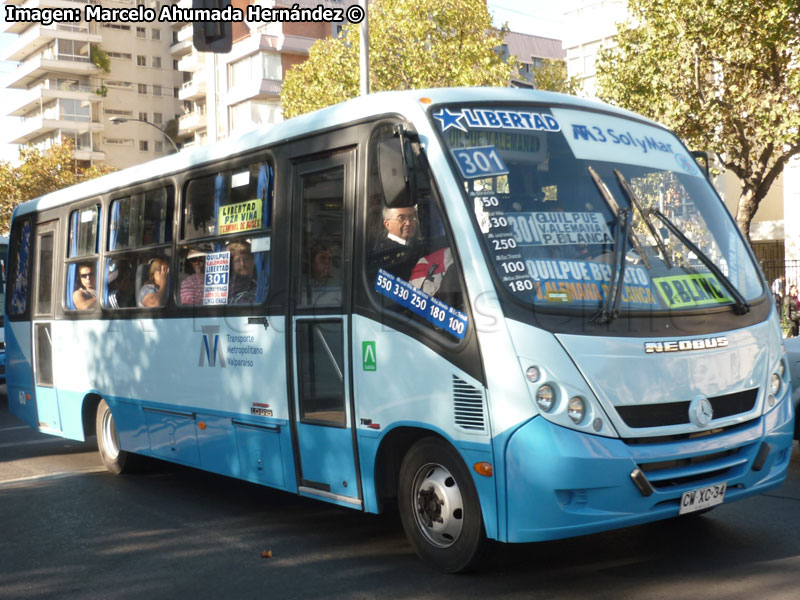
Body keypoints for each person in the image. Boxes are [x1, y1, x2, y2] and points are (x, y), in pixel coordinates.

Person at [371, 205, 422, 282]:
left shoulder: (420, 246)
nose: (408, 223)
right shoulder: (384, 254)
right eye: (401, 218)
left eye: (411, 217)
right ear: (387, 224)